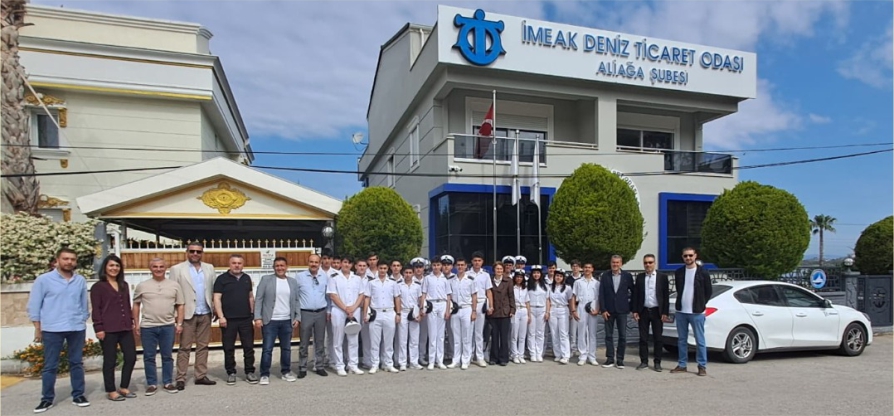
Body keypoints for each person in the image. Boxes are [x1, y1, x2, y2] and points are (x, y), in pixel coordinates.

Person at [28, 248, 91, 413]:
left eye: (72, 259)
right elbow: (34, 304)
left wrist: (82, 318)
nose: (69, 262)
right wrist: (37, 327)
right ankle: (46, 399)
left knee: (76, 362)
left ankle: (78, 395)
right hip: (52, 328)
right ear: (57, 260)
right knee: (50, 365)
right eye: (65, 259)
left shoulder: (80, 280)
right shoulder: (44, 280)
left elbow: (84, 302)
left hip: (76, 327)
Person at [169, 243, 218, 389]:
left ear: (202, 253)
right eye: (192, 251)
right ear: (187, 252)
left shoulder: (209, 268)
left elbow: (213, 289)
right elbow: (173, 292)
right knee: (185, 347)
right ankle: (181, 377)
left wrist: (215, 308)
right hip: (187, 313)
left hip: (205, 312)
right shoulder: (177, 269)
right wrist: (176, 315)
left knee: (203, 346)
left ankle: (200, 375)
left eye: (198, 251)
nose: (195, 254)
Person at [133, 258, 184, 395]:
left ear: (165, 268)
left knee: (167, 356)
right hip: (148, 326)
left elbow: (180, 305)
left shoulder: (174, 285)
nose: (158, 269)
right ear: (150, 268)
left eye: (161, 266)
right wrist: (136, 323)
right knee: (149, 356)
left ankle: (167, 382)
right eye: (155, 267)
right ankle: (152, 384)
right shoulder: (142, 286)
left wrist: (179, 323)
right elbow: (136, 304)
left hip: (167, 325)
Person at [90, 255, 137, 402]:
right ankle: (111, 390)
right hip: (108, 329)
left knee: (131, 357)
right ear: (105, 267)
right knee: (110, 360)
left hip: (125, 327)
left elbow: (127, 305)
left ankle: (124, 387)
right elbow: (96, 309)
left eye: (117, 266)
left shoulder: (124, 285)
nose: (114, 268)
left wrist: (131, 321)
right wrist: (98, 328)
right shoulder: (98, 287)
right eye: (111, 265)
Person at [254, 257, 301, 385]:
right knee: (267, 348)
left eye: (282, 266)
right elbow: (259, 299)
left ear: (287, 267)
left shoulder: (292, 282)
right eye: (277, 266)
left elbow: (296, 300)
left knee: (286, 348)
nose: (280, 268)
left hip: (287, 320)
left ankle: (286, 371)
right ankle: (264, 374)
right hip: (270, 321)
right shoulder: (266, 280)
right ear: (274, 267)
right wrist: (257, 317)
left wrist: (297, 317)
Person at [213, 254, 257, 385]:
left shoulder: (246, 278)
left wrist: (252, 312)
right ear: (229, 264)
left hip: (245, 319)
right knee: (228, 347)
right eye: (234, 263)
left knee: (248, 347)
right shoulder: (221, 279)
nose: (237, 265)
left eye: (239, 263)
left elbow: (250, 296)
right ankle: (231, 372)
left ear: (243, 265)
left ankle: (249, 371)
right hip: (228, 320)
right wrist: (221, 317)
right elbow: (217, 298)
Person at [671, 247, 713, 376]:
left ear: (695, 256)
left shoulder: (703, 272)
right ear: (682, 257)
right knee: (682, 340)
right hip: (681, 311)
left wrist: (701, 304)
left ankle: (702, 366)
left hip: (697, 312)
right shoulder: (679, 272)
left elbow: (708, 291)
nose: (688, 258)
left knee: (700, 340)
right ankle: (682, 364)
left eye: (690, 255)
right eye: (685, 256)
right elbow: (679, 289)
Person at [327, 256, 365, 376]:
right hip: (339, 310)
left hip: (354, 310)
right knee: (338, 339)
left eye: (349, 263)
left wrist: (353, 308)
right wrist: (345, 308)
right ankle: (339, 365)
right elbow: (333, 295)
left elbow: (361, 295)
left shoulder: (357, 278)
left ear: (352, 265)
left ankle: (353, 365)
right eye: (345, 262)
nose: (346, 265)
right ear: (341, 264)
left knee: (353, 339)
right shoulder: (334, 278)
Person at [295, 254, 330, 378]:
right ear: (308, 262)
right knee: (304, 341)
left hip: (321, 312)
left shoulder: (324, 277)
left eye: (316, 262)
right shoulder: (299, 277)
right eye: (311, 262)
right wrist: (297, 315)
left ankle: (319, 366)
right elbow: (296, 297)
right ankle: (302, 367)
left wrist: (328, 311)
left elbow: (327, 296)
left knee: (320, 341)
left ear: (319, 263)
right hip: (306, 312)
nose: (313, 264)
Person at [633, 254, 670, 372]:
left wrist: (665, 312)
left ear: (654, 263)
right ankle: (644, 361)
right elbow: (636, 295)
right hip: (643, 311)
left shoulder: (662, 277)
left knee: (658, 338)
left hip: (657, 311)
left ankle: (657, 362)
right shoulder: (640, 277)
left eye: (650, 262)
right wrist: (635, 310)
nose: (648, 265)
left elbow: (665, 296)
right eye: (646, 263)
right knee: (643, 338)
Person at [363, 262, 401, 373]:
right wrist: (365, 314)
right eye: (381, 268)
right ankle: (375, 364)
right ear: (377, 269)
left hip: (389, 312)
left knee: (389, 341)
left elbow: (397, 298)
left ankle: (388, 363)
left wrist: (398, 313)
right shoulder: (371, 283)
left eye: (385, 268)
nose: (383, 270)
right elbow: (367, 298)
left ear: (387, 269)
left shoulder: (392, 283)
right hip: (376, 313)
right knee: (375, 341)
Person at [598, 255, 635, 369]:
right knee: (608, 336)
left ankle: (620, 360)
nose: (615, 264)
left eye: (617, 262)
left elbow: (633, 292)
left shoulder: (627, 276)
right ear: (611, 263)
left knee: (622, 336)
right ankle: (609, 359)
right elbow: (601, 294)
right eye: (613, 262)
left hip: (622, 311)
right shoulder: (605, 276)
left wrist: (631, 307)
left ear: (621, 263)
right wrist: (603, 309)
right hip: (608, 311)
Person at [421, 256, 452, 370]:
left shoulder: (445, 279)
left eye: (438, 265)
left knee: (441, 335)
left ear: (441, 266)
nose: (436, 267)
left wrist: (448, 310)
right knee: (432, 334)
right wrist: (422, 308)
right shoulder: (428, 278)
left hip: (442, 304)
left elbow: (448, 296)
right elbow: (424, 294)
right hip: (431, 304)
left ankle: (440, 360)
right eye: (434, 265)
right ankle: (431, 361)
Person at [447, 256, 477, 370]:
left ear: (466, 266)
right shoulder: (451, 280)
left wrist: (474, 311)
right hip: (455, 310)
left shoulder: (470, 280)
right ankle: (456, 360)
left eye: (462, 265)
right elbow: (449, 297)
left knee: (466, 336)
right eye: (458, 265)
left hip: (467, 308)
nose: (460, 267)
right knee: (456, 337)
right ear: (455, 267)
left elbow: (474, 296)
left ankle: (466, 360)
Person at [467, 251, 493, 367]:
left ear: (482, 262)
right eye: (475, 260)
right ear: (472, 261)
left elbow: (489, 291)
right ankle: (468, 356)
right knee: (468, 332)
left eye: (479, 261)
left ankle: (479, 357)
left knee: (478, 333)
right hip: (469, 305)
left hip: (481, 303)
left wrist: (490, 305)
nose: (477, 263)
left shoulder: (485, 275)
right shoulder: (467, 274)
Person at [571, 263, 600, 366]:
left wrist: (598, 310)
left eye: (589, 267)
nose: (587, 269)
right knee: (581, 332)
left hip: (593, 307)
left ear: (592, 269)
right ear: (582, 269)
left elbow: (599, 298)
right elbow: (573, 297)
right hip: (581, 307)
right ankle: (582, 355)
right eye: (585, 267)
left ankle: (592, 356)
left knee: (592, 334)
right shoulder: (578, 282)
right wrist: (573, 310)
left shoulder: (597, 283)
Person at [487, 263, 514, 366]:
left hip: (504, 311)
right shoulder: (489, 280)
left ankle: (503, 358)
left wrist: (512, 309)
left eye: (500, 268)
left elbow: (511, 295)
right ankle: (493, 358)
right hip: (493, 312)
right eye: (497, 268)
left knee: (503, 336)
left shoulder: (508, 281)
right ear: (494, 270)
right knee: (494, 336)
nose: (499, 270)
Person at [396, 267, 423, 370]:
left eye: (410, 272)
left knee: (414, 339)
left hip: (414, 311)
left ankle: (414, 362)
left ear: (413, 274)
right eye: (406, 272)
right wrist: (398, 313)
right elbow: (397, 300)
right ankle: (402, 362)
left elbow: (420, 299)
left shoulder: (417, 286)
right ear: (403, 274)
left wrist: (420, 312)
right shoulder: (399, 286)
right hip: (403, 311)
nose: (408, 274)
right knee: (402, 339)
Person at [547, 269, 573, 364]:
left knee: (563, 333)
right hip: (553, 309)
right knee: (554, 333)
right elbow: (548, 300)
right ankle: (557, 354)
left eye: (560, 276)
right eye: (557, 276)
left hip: (563, 309)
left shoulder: (567, 288)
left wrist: (571, 312)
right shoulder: (550, 287)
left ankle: (565, 355)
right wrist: (548, 311)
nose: (558, 278)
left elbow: (570, 300)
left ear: (563, 278)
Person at [409, 257, 430, 366]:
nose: (418, 269)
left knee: (423, 335)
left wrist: (423, 309)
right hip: (412, 311)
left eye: (420, 267)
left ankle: (421, 356)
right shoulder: (409, 279)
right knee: (411, 336)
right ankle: (411, 357)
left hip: (425, 310)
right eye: (416, 267)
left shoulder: (427, 279)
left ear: (423, 268)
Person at [526, 265, 548, 362]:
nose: (536, 275)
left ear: (541, 274)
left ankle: (539, 353)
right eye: (534, 273)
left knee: (540, 333)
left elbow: (548, 300)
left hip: (541, 310)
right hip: (531, 310)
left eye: (538, 273)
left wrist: (547, 312)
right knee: (531, 333)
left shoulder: (545, 285)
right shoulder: (527, 285)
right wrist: (528, 313)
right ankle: (532, 353)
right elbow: (526, 300)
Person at [360, 253, 378, 369]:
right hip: (362, 308)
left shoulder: (382, 274)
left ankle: (377, 360)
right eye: (370, 260)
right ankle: (367, 360)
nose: (372, 262)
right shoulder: (360, 275)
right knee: (365, 336)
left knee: (376, 337)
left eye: (374, 259)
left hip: (375, 309)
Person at [510, 270, 530, 364]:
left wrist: (529, 314)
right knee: (514, 335)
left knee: (522, 335)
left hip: (524, 310)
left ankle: (521, 355)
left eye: (521, 277)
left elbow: (527, 302)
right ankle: (515, 355)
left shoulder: (525, 288)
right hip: (515, 310)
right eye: (517, 277)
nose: (519, 279)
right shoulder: (512, 288)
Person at [567, 259, 582, 356]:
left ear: (580, 268)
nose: (575, 268)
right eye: (573, 266)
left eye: (577, 266)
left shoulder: (583, 278)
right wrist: (570, 309)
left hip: (582, 306)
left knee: (582, 329)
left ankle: (582, 349)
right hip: (572, 306)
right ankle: (573, 348)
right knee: (572, 330)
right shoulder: (568, 279)